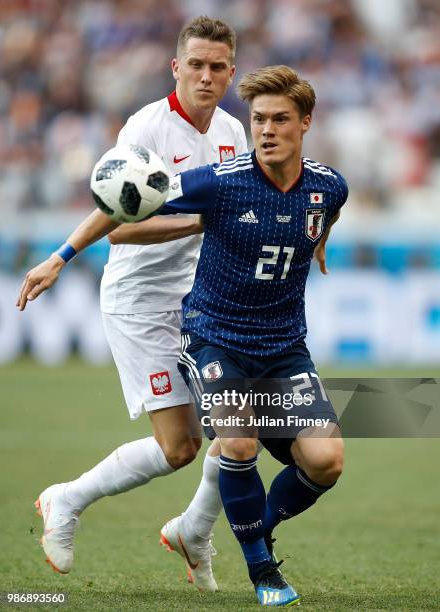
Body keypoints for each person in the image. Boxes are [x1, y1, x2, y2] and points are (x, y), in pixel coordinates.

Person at [16, 16, 247, 591]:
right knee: (179, 448)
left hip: (201, 299)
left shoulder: (234, 134)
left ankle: (195, 530)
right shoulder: (148, 126)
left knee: (236, 424)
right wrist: (61, 256)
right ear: (177, 66)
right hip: (140, 302)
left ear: (231, 72)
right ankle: (66, 499)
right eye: (196, 63)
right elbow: (119, 222)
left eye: (218, 66)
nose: (206, 75)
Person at [151, 65, 348, 606]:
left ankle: (248, 528)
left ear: (305, 123)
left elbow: (324, 214)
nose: (266, 130)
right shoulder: (220, 182)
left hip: (284, 347)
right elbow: (124, 221)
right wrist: (65, 253)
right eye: (258, 119)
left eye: (280, 119)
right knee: (238, 440)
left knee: (326, 461)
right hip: (214, 335)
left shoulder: (329, 186)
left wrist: (319, 242)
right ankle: (263, 572)